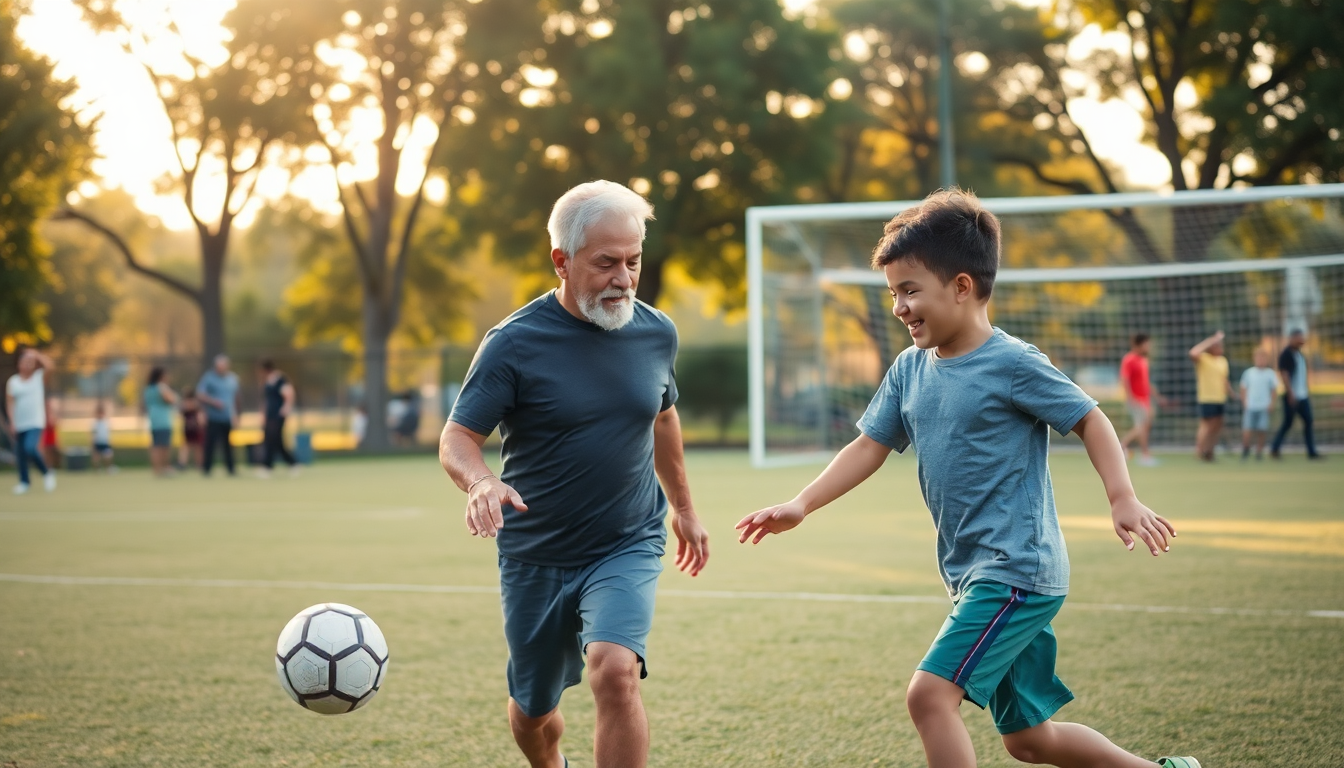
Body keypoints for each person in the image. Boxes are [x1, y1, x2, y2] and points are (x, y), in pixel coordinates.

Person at [735, 189, 1197, 768]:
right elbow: (869, 446)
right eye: (894, 295)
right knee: (1030, 741)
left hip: (1015, 571)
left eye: (910, 290)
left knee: (930, 697)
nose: (900, 307)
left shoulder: (1012, 363)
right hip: (971, 572)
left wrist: (1122, 496)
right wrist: (801, 503)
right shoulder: (908, 369)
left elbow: (1091, 418)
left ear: (961, 286)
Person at [439, 180, 710, 768]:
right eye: (606, 263)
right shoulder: (512, 343)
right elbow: (457, 437)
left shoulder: (656, 332)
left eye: (633, 262)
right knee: (533, 713)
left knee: (616, 671)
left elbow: (664, 418)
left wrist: (684, 509)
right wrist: (481, 481)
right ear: (562, 261)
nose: (624, 278)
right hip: (536, 553)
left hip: (627, 541)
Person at [5, 348, 57, 494]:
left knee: (30, 448)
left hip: (35, 422)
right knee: (20, 453)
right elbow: (10, 403)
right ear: (19, 364)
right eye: (25, 362)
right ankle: (24, 482)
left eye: (31, 362)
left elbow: (50, 366)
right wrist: (12, 421)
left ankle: (47, 472)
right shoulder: (13, 382)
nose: (28, 365)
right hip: (19, 423)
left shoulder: (38, 377)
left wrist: (36, 354)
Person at [1271, 329, 1324, 459]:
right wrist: (1291, 393)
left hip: (1303, 395)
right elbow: (1285, 374)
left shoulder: (1300, 354)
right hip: (1292, 395)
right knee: (1288, 423)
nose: (1301, 340)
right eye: (1299, 337)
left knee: (1308, 421)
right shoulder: (1286, 354)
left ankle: (1311, 452)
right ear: (1292, 338)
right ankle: (1275, 449)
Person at [1189, 331, 1234, 461]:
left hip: (1220, 398)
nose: (1220, 348)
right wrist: (1211, 339)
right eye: (1217, 345)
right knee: (1206, 425)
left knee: (1217, 426)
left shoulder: (1223, 361)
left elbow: (1224, 380)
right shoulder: (1204, 358)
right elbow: (1193, 352)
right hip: (1207, 398)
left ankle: (1209, 451)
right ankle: (1199, 451)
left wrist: (1231, 392)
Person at [1118, 333, 1161, 466]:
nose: (1149, 347)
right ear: (1139, 344)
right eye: (1147, 344)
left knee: (1144, 427)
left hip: (1145, 400)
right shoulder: (1129, 359)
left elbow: (1145, 381)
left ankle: (1141, 453)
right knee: (1141, 427)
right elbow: (1124, 380)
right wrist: (1131, 398)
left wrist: (1156, 395)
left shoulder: (1143, 360)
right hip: (1136, 399)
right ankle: (1124, 446)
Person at [196, 354, 240, 477]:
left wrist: (237, 415)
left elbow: (236, 398)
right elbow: (200, 395)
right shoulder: (209, 378)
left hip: (228, 417)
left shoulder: (233, 379)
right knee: (210, 443)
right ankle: (207, 469)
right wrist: (213, 402)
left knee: (228, 444)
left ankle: (231, 469)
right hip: (213, 417)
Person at [258, 359, 298, 477]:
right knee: (275, 440)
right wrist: (263, 415)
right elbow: (266, 400)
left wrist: (285, 408)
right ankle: (292, 463)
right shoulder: (267, 381)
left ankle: (267, 466)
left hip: (278, 414)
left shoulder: (280, 379)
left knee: (272, 439)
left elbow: (289, 394)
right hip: (270, 415)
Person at [1238, 348, 1279, 461]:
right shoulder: (1249, 373)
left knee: (1262, 430)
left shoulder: (1270, 374)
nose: (1260, 360)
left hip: (1264, 406)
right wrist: (1244, 401)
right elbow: (1243, 388)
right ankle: (1246, 450)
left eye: (1263, 357)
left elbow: (1274, 390)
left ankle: (1259, 452)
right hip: (1250, 406)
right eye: (1258, 357)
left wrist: (1272, 403)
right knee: (1247, 429)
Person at [145, 367, 179, 476]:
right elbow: (171, 399)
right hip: (163, 420)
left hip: (153, 420)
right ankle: (165, 468)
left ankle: (157, 469)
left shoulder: (149, 389)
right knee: (164, 446)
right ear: (161, 376)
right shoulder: (161, 387)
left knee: (156, 445)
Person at [178, 387, 204, 470]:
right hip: (195, 428)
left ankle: (183, 463)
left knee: (188, 446)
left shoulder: (185, 404)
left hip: (189, 427)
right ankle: (198, 464)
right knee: (197, 447)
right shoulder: (196, 404)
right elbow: (201, 417)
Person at [91, 401, 116, 472]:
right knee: (96, 457)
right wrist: (92, 444)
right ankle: (97, 469)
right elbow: (93, 434)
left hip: (105, 443)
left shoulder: (106, 422)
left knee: (108, 456)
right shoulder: (94, 423)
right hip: (97, 442)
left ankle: (108, 468)